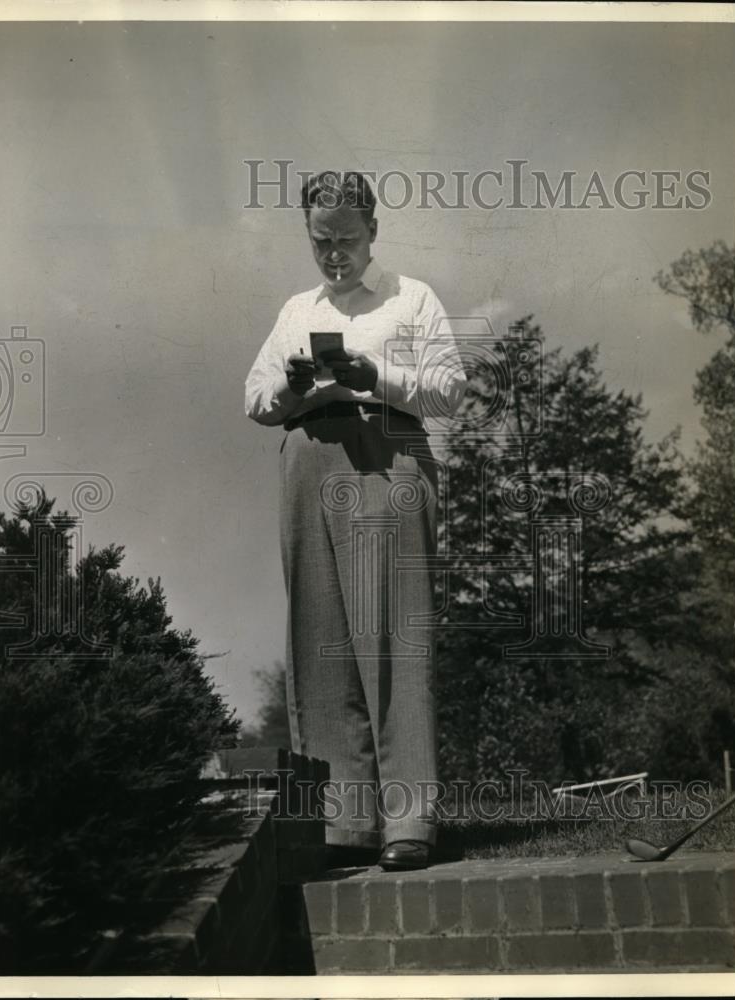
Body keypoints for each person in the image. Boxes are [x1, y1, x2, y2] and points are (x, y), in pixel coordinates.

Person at [244, 171, 467, 870]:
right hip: (309, 458)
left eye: (346, 240)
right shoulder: (295, 309)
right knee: (322, 638)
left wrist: (377, 377)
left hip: (385, 450)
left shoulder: (412, 297)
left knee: (394, 635)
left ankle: (408, 823)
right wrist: (294, 381)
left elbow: (449, 389)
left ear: (372, 228)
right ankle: (344, 822)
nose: (335, 254)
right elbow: (253, 398)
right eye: (321, 242)